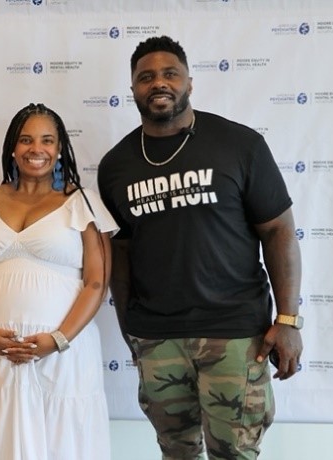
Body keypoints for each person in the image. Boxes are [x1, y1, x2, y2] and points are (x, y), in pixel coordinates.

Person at [97, 36, 303, 460]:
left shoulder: (239, 145)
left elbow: (279, 230)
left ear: (189, 81)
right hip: (157, 338)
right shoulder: (116, 166)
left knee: (235, 454)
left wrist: (287, 319)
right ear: (132, 88)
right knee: (176, 454)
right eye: (146, 76)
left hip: (234, 334)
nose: (159, 83)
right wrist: (128, 329)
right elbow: (121, 253)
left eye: (170, 73)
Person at [0, 103, 117, 460]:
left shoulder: (83, 202)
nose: (36, 149)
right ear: (12, 147)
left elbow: (96, 282)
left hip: (64, 354)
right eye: (26, 139)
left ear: (60, 149)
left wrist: (57, 341)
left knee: (64, 445)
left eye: (47, 140)